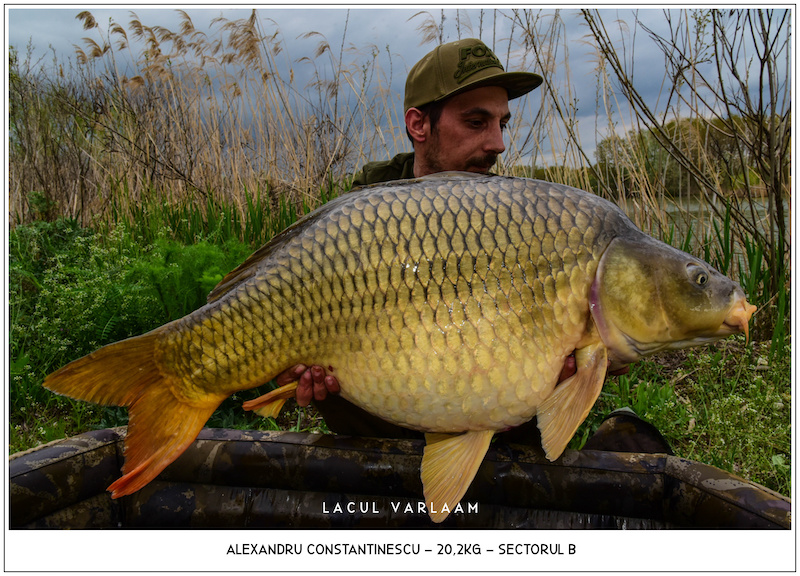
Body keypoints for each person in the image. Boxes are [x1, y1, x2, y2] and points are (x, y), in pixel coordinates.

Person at [272, 38, 671, 453]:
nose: (498, 143)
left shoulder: (524, 222)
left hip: (499, 433)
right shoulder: (354, 223)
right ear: (418, 124)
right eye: (477, 122)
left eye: (503, 124)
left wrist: (597, 350)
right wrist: (303, 375)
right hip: (379, 435)